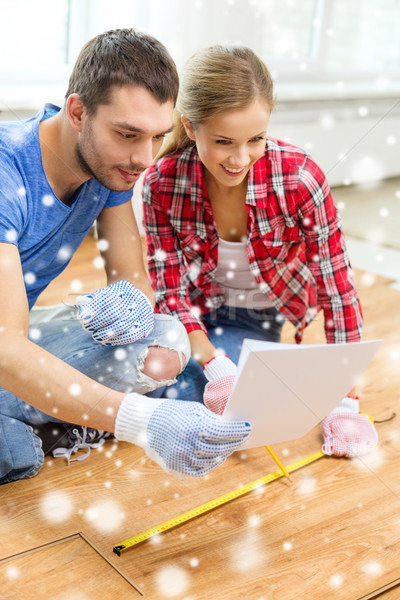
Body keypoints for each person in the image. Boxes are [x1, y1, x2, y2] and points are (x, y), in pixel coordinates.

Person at [0, 30, 251, 485]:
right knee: (14, 454)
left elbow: (134, 278)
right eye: (128, 134)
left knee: (166, 342)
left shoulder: (109, 166)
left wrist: (131, 305)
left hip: (13, 334)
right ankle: (48, 421)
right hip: (4, 345)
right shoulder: (5, 173)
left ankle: (56, 414)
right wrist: (142, 422)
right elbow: (5, 348)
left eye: (158, 136)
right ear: (78, 112)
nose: (143, 158)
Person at [142, 45, 378, 458]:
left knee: (183, 396)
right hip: (187, 318)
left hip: (254, 318)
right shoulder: (161, 184)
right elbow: (171, 294)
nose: (240, 158)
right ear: (190, 126)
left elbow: (337, 288)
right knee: (143, 373)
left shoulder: (300, 179)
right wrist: (215, 366)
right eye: (223, 141)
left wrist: (347, 401)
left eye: (256, 139)